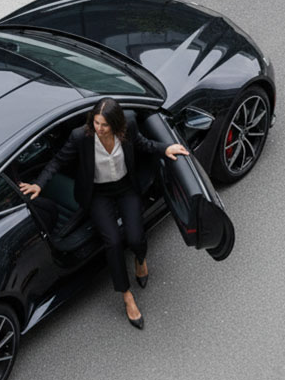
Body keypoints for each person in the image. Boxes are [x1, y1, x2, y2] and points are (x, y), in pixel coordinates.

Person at [19, 98, 189, 329]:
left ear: (116, 124)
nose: (98, 128)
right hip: (98, 194)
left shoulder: (128, 125)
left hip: (125, 188)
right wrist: (39, 184)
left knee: (136, 236)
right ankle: (127, 295)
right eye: (96, 123)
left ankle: (140, 259)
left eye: (104, 125)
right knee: (113, 242)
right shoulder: (81, 136)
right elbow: (58, 162)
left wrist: (164, 148)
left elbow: (142, 144)